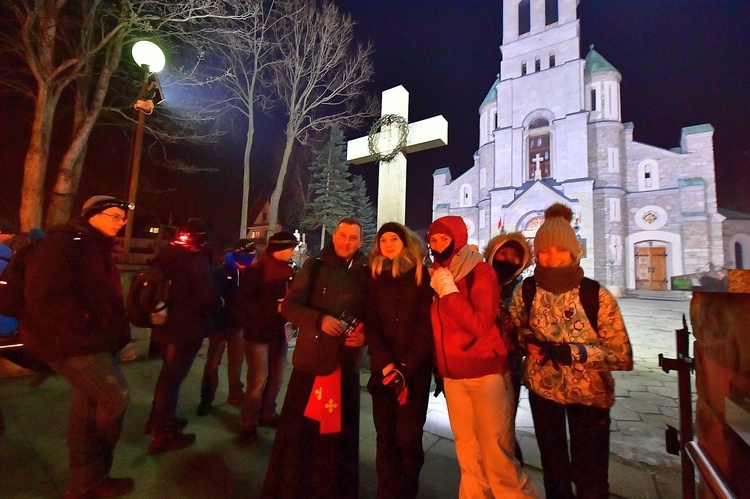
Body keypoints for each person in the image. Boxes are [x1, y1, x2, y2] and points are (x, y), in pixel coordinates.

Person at [509, 203, 633, 498]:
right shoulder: (526, 291)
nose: (551, 258)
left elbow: (621, 355)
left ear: (573, 251)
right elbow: (514, 329)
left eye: (559, 250)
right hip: (544, 392)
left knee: (590, 472)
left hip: (589, 397)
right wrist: (527, 341)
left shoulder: (595, 295)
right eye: (544, 251)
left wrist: (577, 353)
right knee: (554, 467)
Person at [18, 196, 134, 498]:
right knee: (114, 395)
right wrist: (85, 325)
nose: (120, 222)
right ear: (91, 215)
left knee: (88, 407)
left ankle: (86, 484)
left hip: (91, 340)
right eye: (114, 215)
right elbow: (44, 296)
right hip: (73, 343)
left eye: (123, 218)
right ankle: (95, 466)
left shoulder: (95, 247)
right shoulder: (63, 244)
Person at [428, 215, 537, 498]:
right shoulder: (437, 273)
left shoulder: (480, 272)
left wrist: (449, 291)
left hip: (485, 373)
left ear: (458, 239)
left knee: (497, 453)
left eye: (445, 239)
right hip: (453, 375)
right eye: (434, 239)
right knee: (467, 452)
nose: (439, 245)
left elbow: (479, 324)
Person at [261, 218, 368, 498]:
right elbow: (290, 307)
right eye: (342, 235)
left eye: (353, 238)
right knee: (302, 436)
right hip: (313, 364)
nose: (346, 242)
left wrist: (364, 334)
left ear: (361, 241)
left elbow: (371, 315)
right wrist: (319, 320)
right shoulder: (315, 265)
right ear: (334, 236)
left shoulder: (366, 272)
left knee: (338, 439)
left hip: (346, 365)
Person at [363, 222, 434, 499]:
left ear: (405, 242)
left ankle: (406, 490)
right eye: (384, 239)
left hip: (413, 373)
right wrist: (385, 365)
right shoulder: (373, 276)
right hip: (384, 371)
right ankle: (386, 490)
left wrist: (405, 367)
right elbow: (372, 322)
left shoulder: (421, 275)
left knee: (408, 438)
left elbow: (426, 325)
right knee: (385, 437)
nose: (389, 243)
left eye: (395, 238)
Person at [145, 217, 217, 455]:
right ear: (203, 236)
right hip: (186, 327)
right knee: (172, 380)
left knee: (167, 376)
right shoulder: (195, 258)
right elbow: (207, 296)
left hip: (164, 324)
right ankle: (163, 434)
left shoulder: (166, 253)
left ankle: (157, 421)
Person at [238, 231, 297, 444]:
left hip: (279, 333)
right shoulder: (256, 270)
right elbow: (244, 303)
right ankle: (249, 421)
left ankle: (268, 413)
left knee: (278, 376)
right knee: (258, 379)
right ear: (279, 249)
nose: (294, 251)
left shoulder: (290, 271)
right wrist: (275, 307)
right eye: (291, 248)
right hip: (258, 334)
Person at [483, 232, 533, 464]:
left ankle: (510, 467)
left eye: (515, 257)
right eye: (504, 253)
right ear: (493, 253)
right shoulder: (476, 280)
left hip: (507, 368)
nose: (508, 260)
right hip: (477, 367)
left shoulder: (521, 290)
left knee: (504, 426)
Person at [196, 238, 256, 417]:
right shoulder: (221, 272)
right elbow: (212, 298)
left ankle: (235, 393)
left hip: (239, 326)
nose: (252, 258)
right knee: (213, 363)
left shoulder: (250, 273)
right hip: (220, 326)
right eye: (250, 254)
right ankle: (206, 398)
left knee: (236, 363)